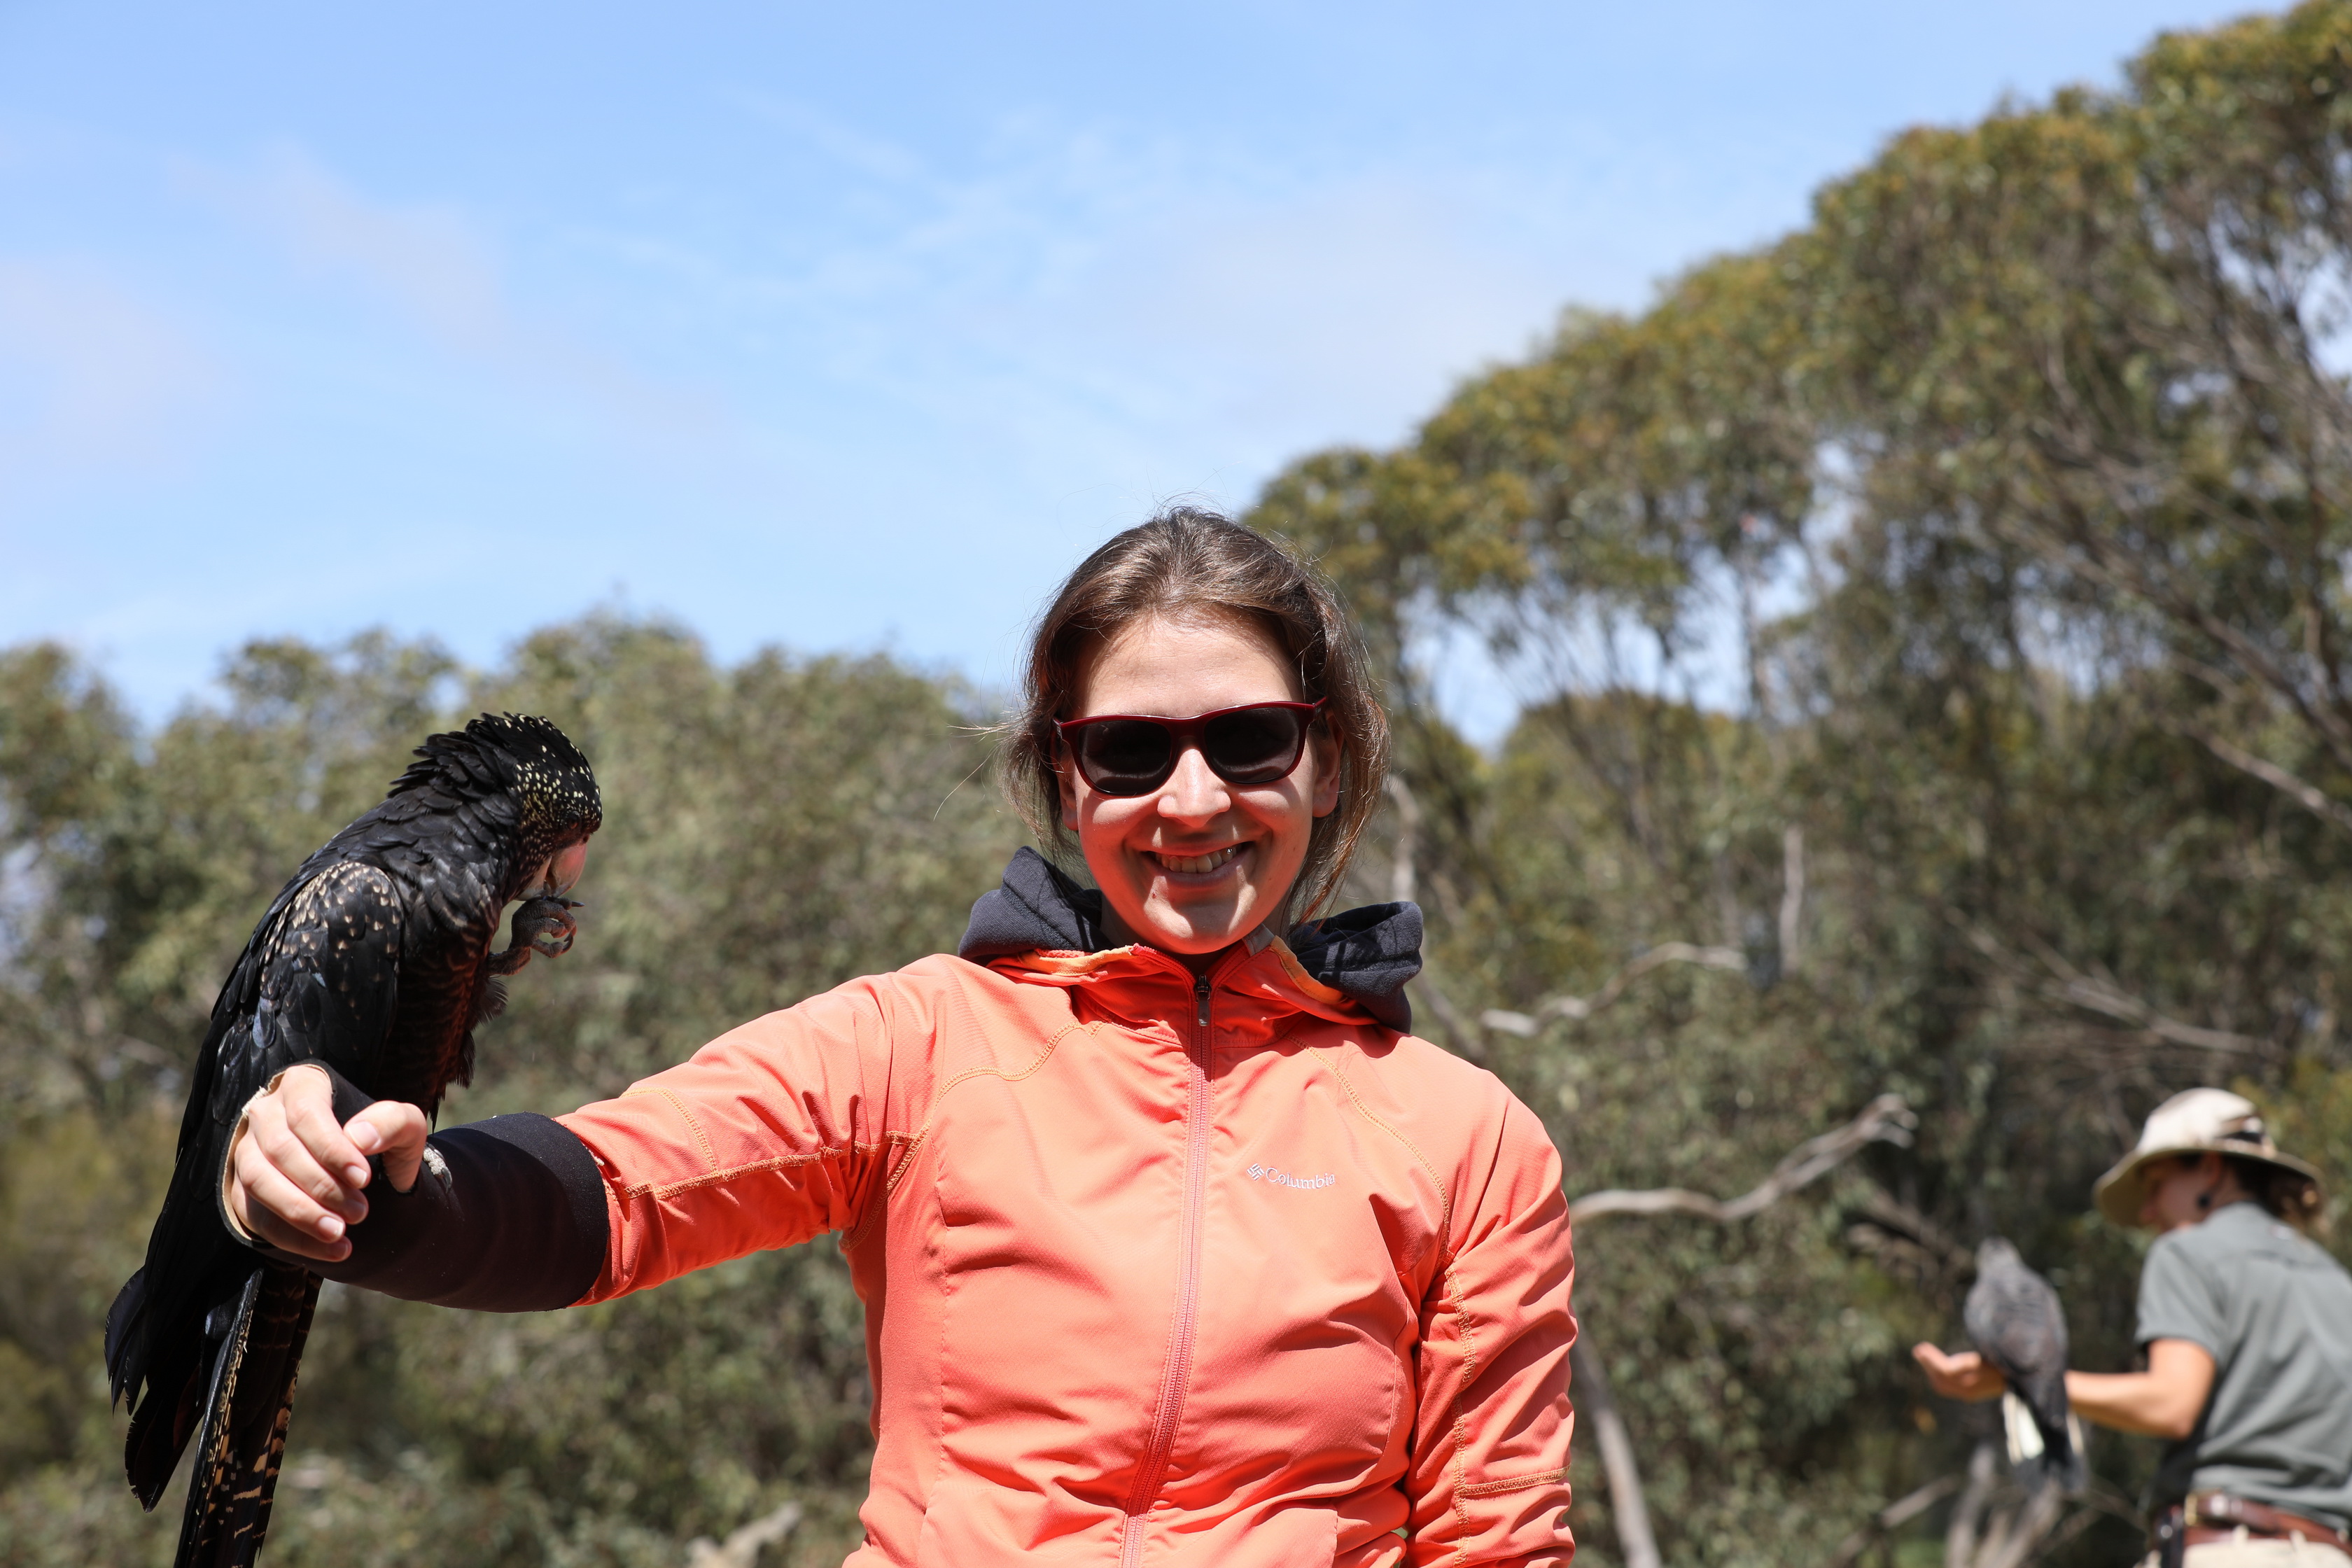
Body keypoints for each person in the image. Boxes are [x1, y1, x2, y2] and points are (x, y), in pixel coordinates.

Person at [219, 509, 1578, 1568]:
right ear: (1064, 775)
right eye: (1126, 752)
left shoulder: (1468, 1142)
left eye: (1251, 738)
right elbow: (621, 1189)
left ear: (1325, 759)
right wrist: (389, 1195)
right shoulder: (919, 1044)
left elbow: (1496, 1539)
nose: (1193, 795)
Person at [1914, 1088, 2352, 1564]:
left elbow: (2173, 1403)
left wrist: (2032, 1382)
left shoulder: (2189, 1253)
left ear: (2210, 1168)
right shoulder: (2335, 1280)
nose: (2147, 1212)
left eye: (2156, 1185)